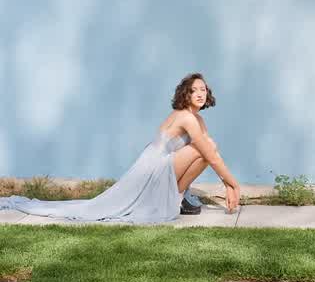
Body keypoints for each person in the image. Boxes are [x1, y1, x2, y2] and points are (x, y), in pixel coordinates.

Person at [0, 73, 240, 224]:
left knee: (209, 147)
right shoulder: (185, 117)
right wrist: (233, 185)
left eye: (203, 89)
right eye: (194, 90)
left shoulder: (198, 120)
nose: (200, 93)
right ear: (185, 94)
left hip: (162, 168)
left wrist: (227, 183)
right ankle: (177, 197)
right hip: (152, 168)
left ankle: (176, 197)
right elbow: (209, 154)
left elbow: (211, 154)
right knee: (207, 148)